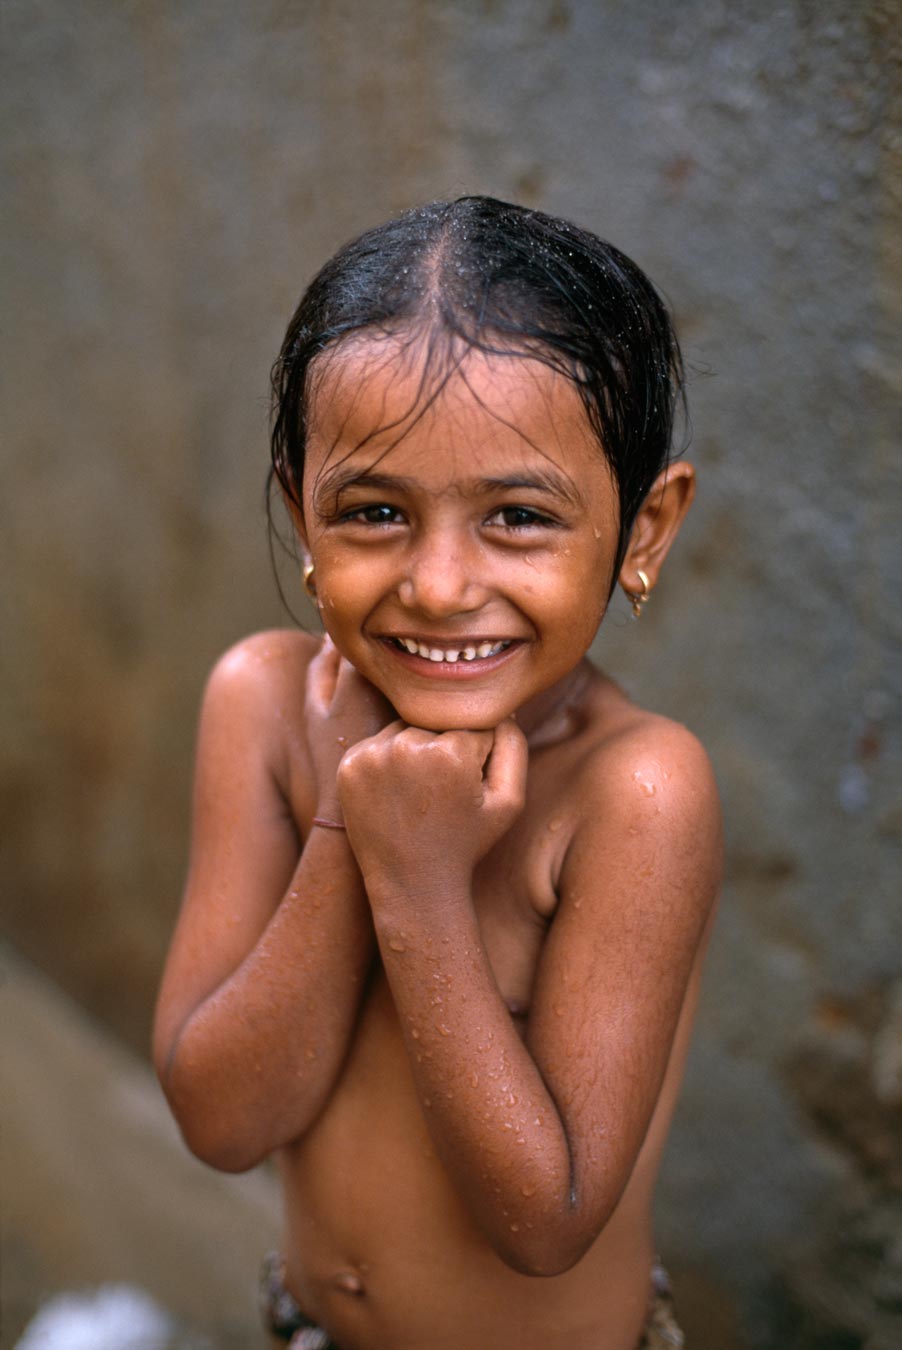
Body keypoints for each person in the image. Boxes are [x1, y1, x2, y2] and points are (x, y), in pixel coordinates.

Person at [153, 196, 722, 1350]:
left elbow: (547, 1220)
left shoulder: (636, 793)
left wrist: (414, 883)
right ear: (298, 511)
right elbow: (218, 1120)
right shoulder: (264, 707)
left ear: (643, 530)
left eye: (517, 516)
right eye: (373, 512)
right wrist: (342, 835)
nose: (440, 584)